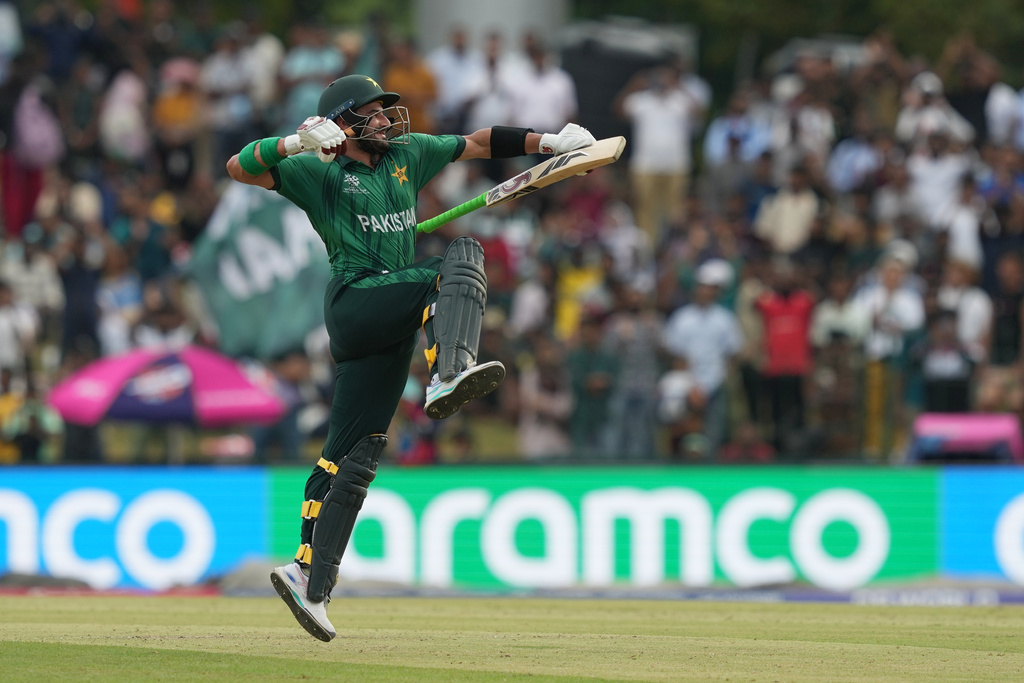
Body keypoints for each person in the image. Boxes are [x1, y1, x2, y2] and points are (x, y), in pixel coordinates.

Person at [225, 73, 595, 641]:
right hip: (355, 301)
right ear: (343, 122)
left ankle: (308, 578)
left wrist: (547, 143)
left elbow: (475, 141)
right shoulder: (316, 169)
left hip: (390, 319)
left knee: (353, 456)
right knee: (460, 257)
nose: (387, 120)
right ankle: (449, 372)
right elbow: (239, 166)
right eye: (373, 113)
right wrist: (294, 142)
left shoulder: (407, 155)